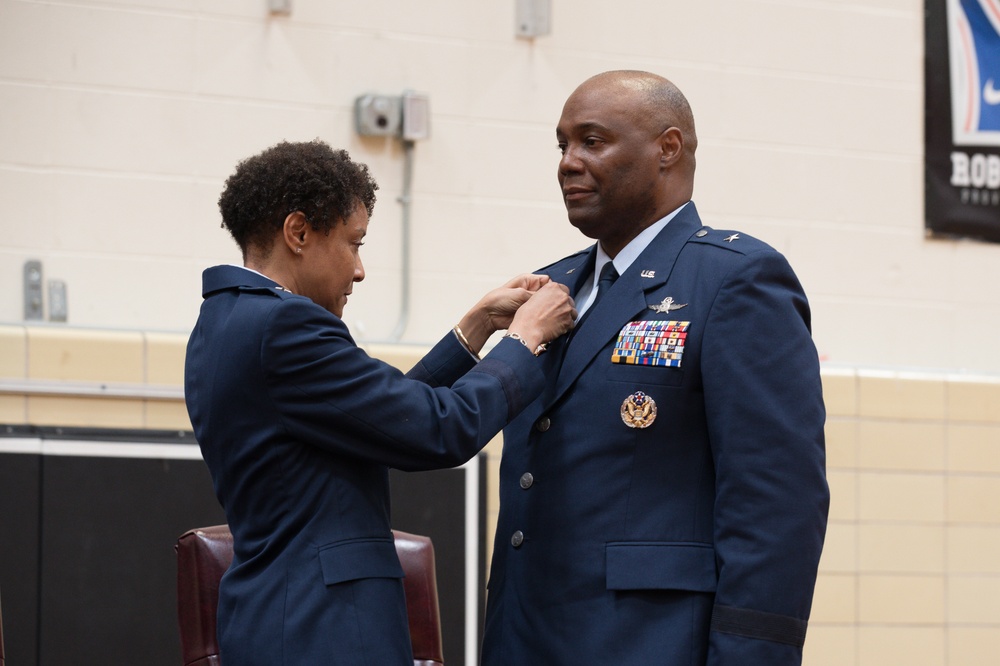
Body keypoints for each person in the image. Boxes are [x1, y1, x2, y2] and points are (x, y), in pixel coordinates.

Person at [481, 71, 829, 665]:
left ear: (667, 149)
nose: (568, 162)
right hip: (526, 636)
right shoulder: (550, 286)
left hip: (649, 642)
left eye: (592, 141)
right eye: (562, 145)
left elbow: (776, 506)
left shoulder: (733, 279)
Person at [183, 139, 575, 665]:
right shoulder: (286, 325)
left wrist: (477, 325)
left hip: (278, 620)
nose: (359, 270)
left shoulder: (228, 321)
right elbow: (439, 430)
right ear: (298, 232)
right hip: (321, 630)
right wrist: (524, 343)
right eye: (354, 243)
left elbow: (380, 415)